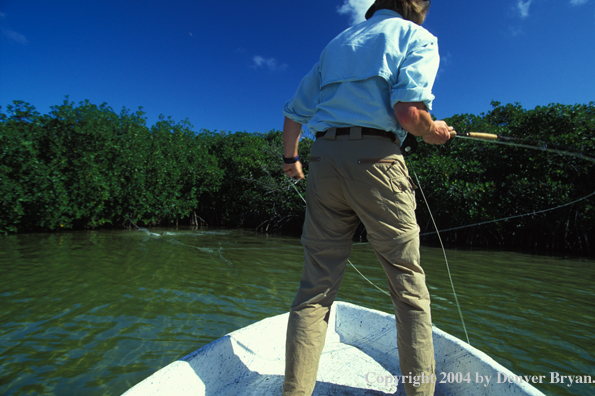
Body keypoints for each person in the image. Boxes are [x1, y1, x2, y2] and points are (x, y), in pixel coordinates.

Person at [281, 1, 453, 395]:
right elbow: (409, 114)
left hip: (323, 161)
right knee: (408, 290)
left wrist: (291, 158)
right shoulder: (417, 36)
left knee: (315, 290)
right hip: (378, 160)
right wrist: (432, 131)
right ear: (416, 9)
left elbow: (294, 112)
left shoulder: (336, 44)